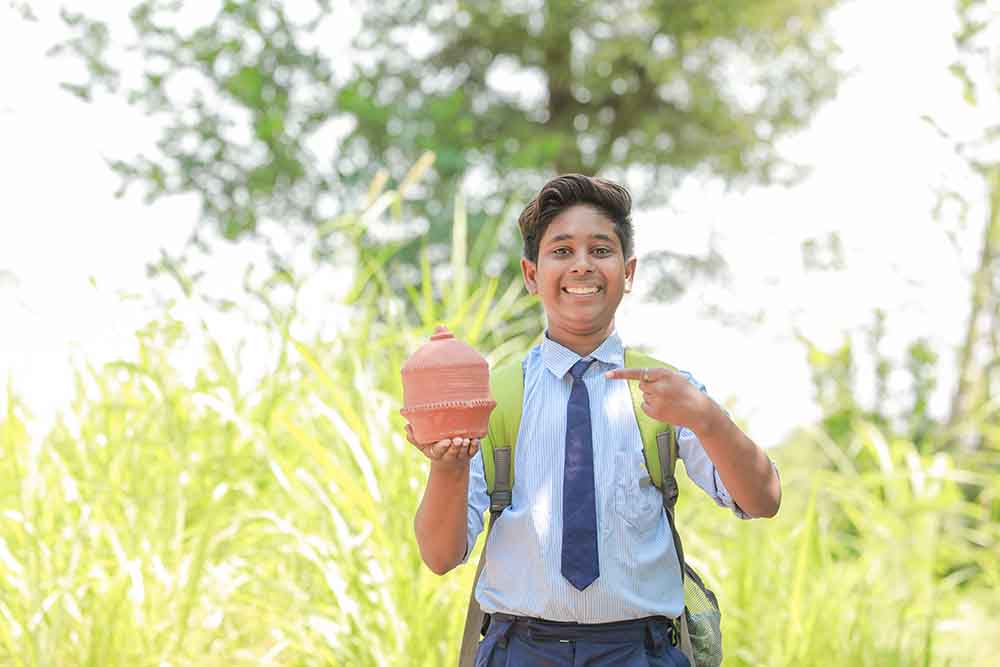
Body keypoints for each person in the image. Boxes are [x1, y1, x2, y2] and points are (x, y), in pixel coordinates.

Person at [407, 174, 781, 667]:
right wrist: (448, 467)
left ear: (628, 271)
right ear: (531, 273)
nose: (581, 264)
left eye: (600, 250)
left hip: (640, 651)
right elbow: (440, 556)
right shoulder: (492, 399)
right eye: (561, 250)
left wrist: (708, 420)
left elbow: (763, 500)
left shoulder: (669, 391)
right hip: (520, 650)